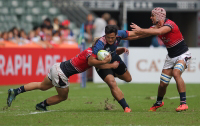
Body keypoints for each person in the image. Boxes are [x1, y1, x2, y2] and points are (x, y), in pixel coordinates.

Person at [7, 45, 129, 112]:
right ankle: (41, 105)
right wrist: (111, 65)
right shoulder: (91, 56)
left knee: (42, 86)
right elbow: (95, 63)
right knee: (63, 97)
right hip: (61, 73)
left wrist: (119, 50)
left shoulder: (90, 50)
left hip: (57, 66)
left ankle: (16, 91)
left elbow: (106, 54)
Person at [130, 7, 191, 112]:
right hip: (170, 57)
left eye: (152, 15)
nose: (150, 17)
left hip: (183, 54)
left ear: (158, 16)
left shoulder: (170, 25)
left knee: (176, 73)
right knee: (163, 84)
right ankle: (159, 102)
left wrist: (141, 30)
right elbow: (139, 35)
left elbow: (159, 31)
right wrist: (120, 36)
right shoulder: (155, 27)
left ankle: (183, 103)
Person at [88, 25, 140, 113]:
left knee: (128, 79)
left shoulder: (120, 34)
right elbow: (91, 62)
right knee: (112, 83)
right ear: (105, 35)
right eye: (108, 37)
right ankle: (126, 107)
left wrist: (149, 31)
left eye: (112, 37)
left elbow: (136, 34)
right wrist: (110, 66)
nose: (110, 40)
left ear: (116, 35)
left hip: (115, 59)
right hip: (102, 64)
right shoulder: (99, 44)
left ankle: (112, 74)